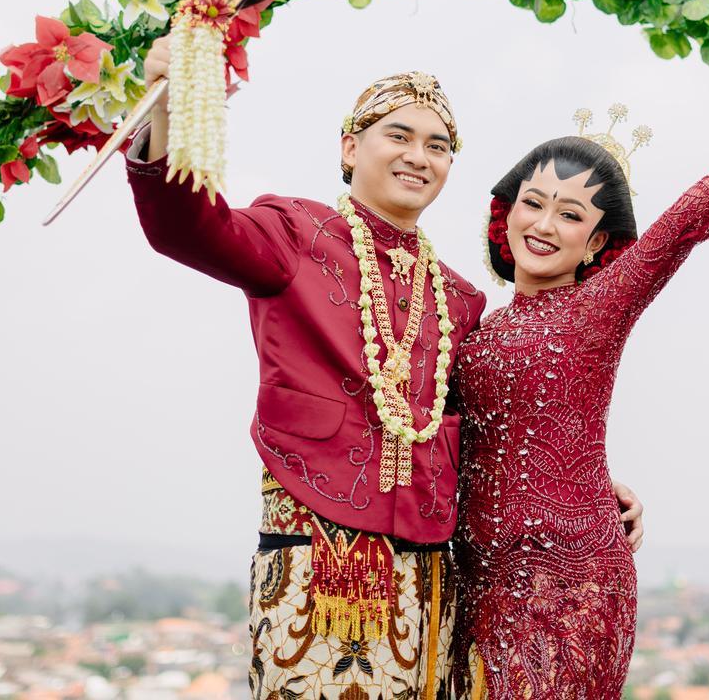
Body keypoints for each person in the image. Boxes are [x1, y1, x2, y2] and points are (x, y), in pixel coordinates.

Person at [123, 44, 646, 700]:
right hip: (317, 560)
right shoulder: (295, 234)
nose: (418, 156)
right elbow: (186, 226)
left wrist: (581, 486)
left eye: (437, 145)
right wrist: (168, 111)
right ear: (350, 148)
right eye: (399, 136)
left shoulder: (458, 299)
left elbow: (486, 426)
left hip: (433, 585)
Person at [452, 71, 709, 699]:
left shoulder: (598, 308)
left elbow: (690, 217)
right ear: (506, 212)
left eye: (570, 215)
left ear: (596, 242)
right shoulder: (470, 330)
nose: (544, 224)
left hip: (574, 583)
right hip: (473, 584)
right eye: (533, 204)